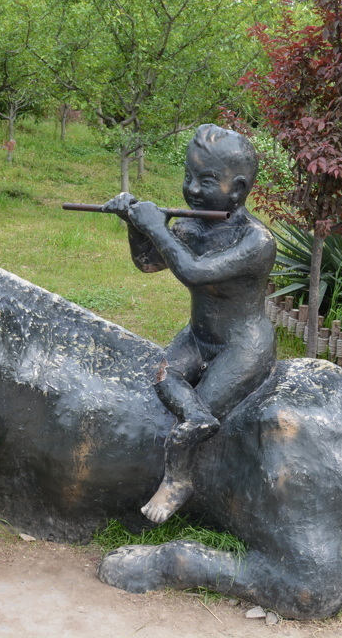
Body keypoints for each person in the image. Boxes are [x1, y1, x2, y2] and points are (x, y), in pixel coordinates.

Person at [103, 125, 276, 524]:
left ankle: (178, 479)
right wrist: (135, 224)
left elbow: (195, 273)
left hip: (241, 345)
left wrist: (158, 227)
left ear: (238, 189)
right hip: (199, 337)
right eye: (189, 177)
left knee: (198, 413)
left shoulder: (256, 241)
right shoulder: (192, 226)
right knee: (166, 380)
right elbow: (148, 263)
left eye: (207, 181)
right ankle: (195, 419)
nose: (194, 190)